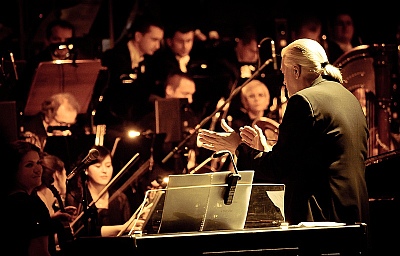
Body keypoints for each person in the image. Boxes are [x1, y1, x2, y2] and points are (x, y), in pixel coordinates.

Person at [198, 38, 370, 227]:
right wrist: (264, 150)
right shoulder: (348, 97)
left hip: (320, 221)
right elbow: (309, 161)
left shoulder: (303, 101)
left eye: (284, 73)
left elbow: (278, 170)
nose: (284, 82)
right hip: (353, 217)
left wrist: (237, 146)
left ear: (296, 70)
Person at [95, 13, 164, 131]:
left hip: (135, 122)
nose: (157, 46)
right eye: (154, 39)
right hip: (111, 122)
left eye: (159, 41)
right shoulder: (114, 57)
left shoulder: (150, 60)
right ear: (138, 36)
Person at [65, 145, 137, 237]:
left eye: (108, 166)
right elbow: (78, 232)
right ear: (86, 170)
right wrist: (121, 228)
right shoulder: (76, 197)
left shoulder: (120, 198)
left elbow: (127, 233)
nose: (104, 171)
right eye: (98, 166)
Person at [4, 140, 53, 256]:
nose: (38, 169)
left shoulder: (12, 200)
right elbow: (39, 252)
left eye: (38, 163)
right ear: (13, 170)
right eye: (29, 165)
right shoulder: (31, 204)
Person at [20, 92, 91, 172]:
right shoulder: (30, 129)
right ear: (49, 115)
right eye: (62, 123)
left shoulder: (74, 132)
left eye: (69, 124)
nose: (66, 130)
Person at [16, 19, 76, 112]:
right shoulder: (35, 64)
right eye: (57, 39)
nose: (63, 45)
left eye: (67, 40)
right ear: (47, 41)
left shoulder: (78, 61)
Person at [37, 152, 76, 255]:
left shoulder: (46, 201)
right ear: (57, 175)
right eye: (65, 174)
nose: (66, 179)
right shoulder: (41, 201)